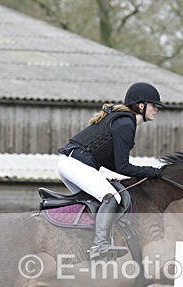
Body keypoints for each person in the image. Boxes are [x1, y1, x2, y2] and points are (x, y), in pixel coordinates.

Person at [57, 82, 164, 260]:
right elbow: (123, 167)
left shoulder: (123, 121)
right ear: (141, 105)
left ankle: (85, 244)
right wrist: (152, 172)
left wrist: (150, 172)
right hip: (75, 164)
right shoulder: (126, 124)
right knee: (112, 197)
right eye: (154, 105)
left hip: (70, 163)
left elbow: (113, 164)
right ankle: (99, 245)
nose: (157, 109)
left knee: (96, 203)